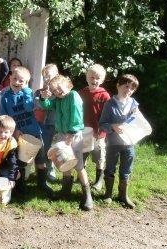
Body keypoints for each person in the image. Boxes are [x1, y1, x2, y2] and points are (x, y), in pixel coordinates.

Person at [0, 66, 55, 199]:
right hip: (19, 134)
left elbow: (29, 108)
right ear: (10, 78)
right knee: (21, 162)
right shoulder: (5, 97)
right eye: (15, 79)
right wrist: (14, 131)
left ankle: (42, 184)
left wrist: (24, 91)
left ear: (27, 83)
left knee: (40, 161)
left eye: (21, 81)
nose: (17, 82)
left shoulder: (28, 92)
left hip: (34, 132)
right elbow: (4, 116)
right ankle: (20, 186)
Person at [40, 75, 93, 211]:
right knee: (65, 162)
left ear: (68, 84)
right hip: (63, 134)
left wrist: (70, 135)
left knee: (79, 165)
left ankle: (87, 195)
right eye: (55, 90)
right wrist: (44, 97)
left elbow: (76, 116)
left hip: (73, 135)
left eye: (59, 88)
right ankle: (65, 191)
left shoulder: (73, 96)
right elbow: (47, 105)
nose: (58, 92)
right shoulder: (58, 100)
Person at [98, 74, 141, 209]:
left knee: (126, 169)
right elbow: (102, 124)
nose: (128, 90)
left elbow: (138, 120)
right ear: (118, 85)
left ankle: (123, 195)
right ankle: (108, 194)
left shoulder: (134, 104)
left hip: (129, 143)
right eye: (126, 86)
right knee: (110, 168)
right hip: (113, 143)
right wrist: (112, 126)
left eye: (132, 89)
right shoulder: (109, 104)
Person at [79, 64, 111, 191]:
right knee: (83, 154)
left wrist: (102, 130)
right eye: (92, 77)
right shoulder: (81, 93)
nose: (94, 80)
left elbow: (108, 116)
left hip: (99, 132)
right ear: (87, 78)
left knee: (99, 156)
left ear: (102, 80)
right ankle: (82, 176)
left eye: (98, 78)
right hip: (84, 131)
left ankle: (99, 180)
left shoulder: (104, 95)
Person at [34, 63, 60, 182]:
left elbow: (57, 107)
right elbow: (36, 105)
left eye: (49, 76)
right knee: (43, 148)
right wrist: (43, 97)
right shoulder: (39, 92)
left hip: (55, 124)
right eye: (44, 77)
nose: (46, 79)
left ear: (57, 76)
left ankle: (51, 168)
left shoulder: (59, 93)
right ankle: (41, 169)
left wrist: (51, 97)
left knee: (53, 148)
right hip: (42, 124)